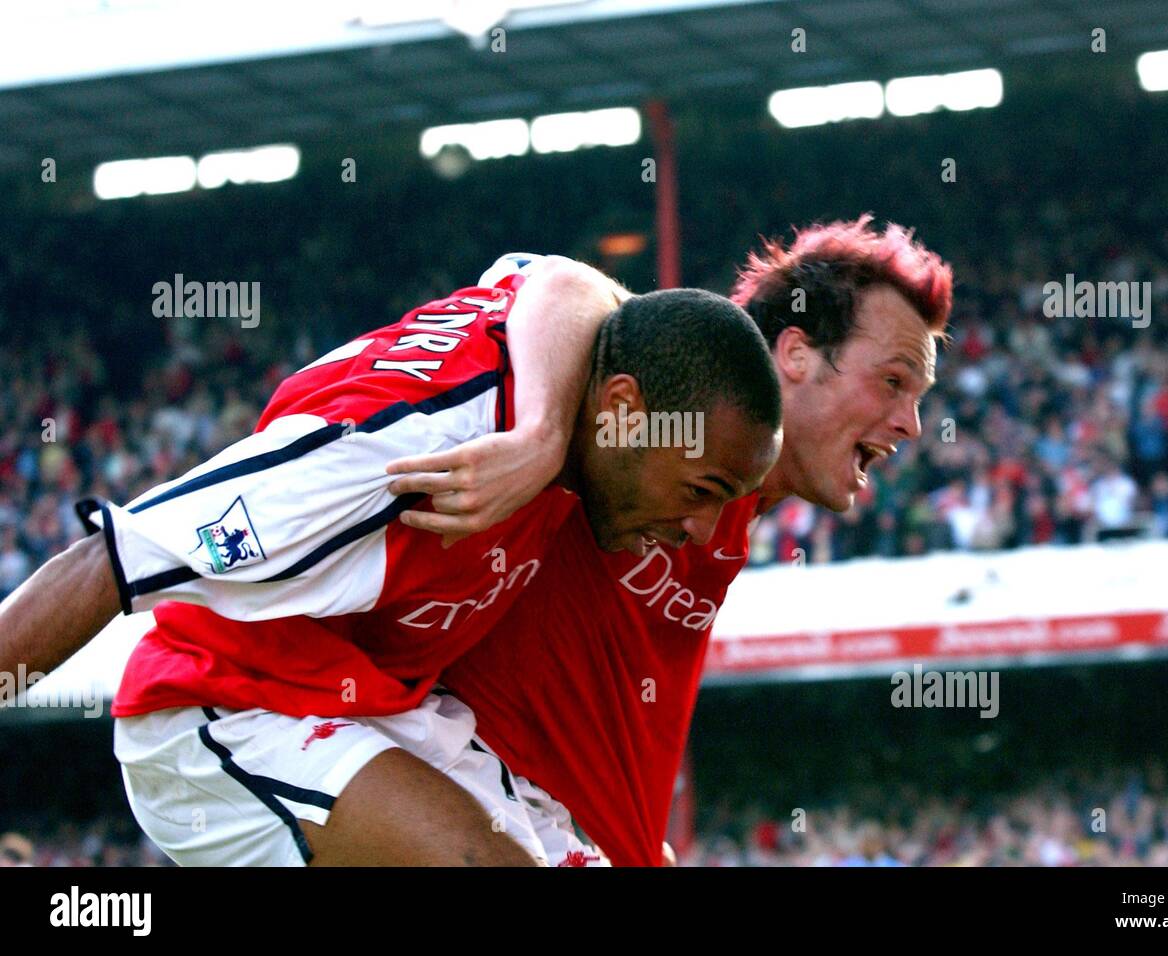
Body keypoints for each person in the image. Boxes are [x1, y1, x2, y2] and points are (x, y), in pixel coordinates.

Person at [0, 257, 783, 866]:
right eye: (702, 487)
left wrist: (542, 433)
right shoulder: (402, 454)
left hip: (379, 707)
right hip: (221, 707)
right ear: (623, 410)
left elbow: (557, 275)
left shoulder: (569, 378)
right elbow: (110, 559)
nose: (701, 527)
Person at [392, 217, 952, 865]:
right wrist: (543, 434)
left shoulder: (729, 512)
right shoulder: (659, 423)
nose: (911, 424)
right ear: (796, 355)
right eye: (892, 382)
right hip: (459, 798)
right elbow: (554, 278)